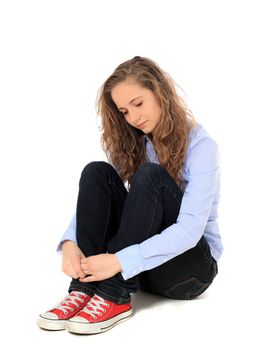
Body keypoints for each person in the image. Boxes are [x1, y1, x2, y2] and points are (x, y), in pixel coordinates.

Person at [37, 56, 223, 335]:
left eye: (138, 103)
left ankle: (114, 294)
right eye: (124, 111)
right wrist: (69, 243)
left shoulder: (201, 146)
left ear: (160, 92)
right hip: (143, 270)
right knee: (96, 173)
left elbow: (189, 231)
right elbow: (98, 202)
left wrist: (118, 262)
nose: (134, 118)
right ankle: (85, 287)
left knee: (151, 177)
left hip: (190, 272)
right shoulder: (134, 142)